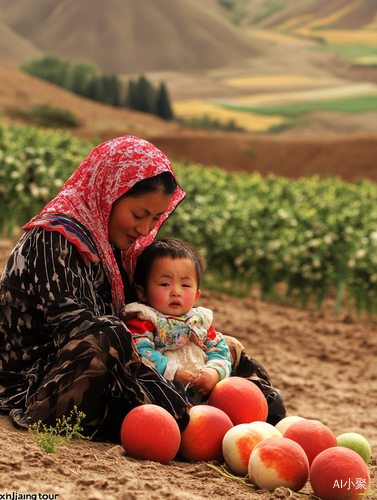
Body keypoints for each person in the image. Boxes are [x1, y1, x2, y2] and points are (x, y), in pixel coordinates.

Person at [0, 136, 191, 438]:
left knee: (213, 341)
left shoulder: (117, 248)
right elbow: (81, 333)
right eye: (139, 215)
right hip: (38, 383)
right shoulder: (55, 238)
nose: (145, 230)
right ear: (107, 193)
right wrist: (167, 389)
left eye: (155, 219)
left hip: (99, 372)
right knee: (110, 335)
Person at [122, 238, 232, 405]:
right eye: (165, 283)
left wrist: (213, 373)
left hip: (204, 400)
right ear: (142, 293)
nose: (176, 292)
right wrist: (173, 373)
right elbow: (140, 352)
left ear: (196, 295)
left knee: (235, 392)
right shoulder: (145, 318)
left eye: (185, 285)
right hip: (164, 396)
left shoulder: (200, 321)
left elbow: (219, 349)